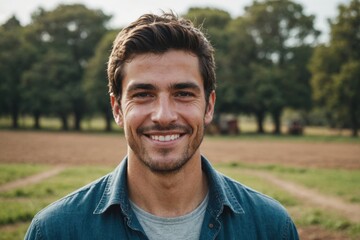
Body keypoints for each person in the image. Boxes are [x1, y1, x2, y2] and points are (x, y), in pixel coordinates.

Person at [25, 12, 299, 240]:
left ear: (210, 106)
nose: (164, 116)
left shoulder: (271, 228)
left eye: (183, 93)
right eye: (143, 94)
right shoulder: (55, 231)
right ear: (117, 108)